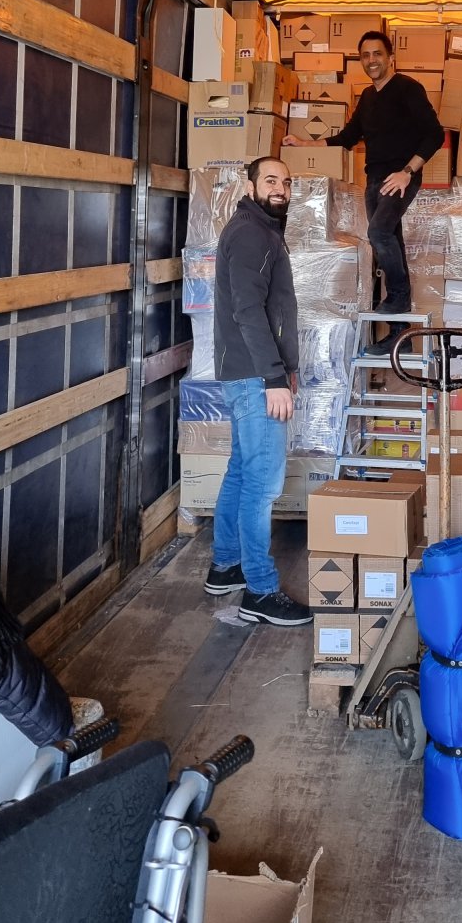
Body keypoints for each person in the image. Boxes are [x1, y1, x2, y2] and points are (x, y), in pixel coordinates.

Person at [204, 155, 311, 627]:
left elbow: (267, 309)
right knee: (262, 485)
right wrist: (273, 377)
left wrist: (284, 368)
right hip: (254, 377)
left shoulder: (260, 229)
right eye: (271, 180)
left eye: (286, 181)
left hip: (246, 373)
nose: (280, 188)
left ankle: (225, 565)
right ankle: (260, 592)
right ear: (250, 186)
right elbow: (248, 311)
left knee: (242, 471)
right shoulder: (251, 233)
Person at [325, 31, 445, 349]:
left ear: (391, 57)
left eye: (377, 54)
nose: (371, 60)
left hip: (399, 176)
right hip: (374, 180)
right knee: (390, 242)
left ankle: (398, 298)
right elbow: (348, 136)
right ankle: (399, 336)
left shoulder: (407, 88)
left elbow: (435, 134)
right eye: (365, 55)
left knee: (378, 233)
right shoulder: (367, 97)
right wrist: (306, 144)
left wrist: (407, 172)